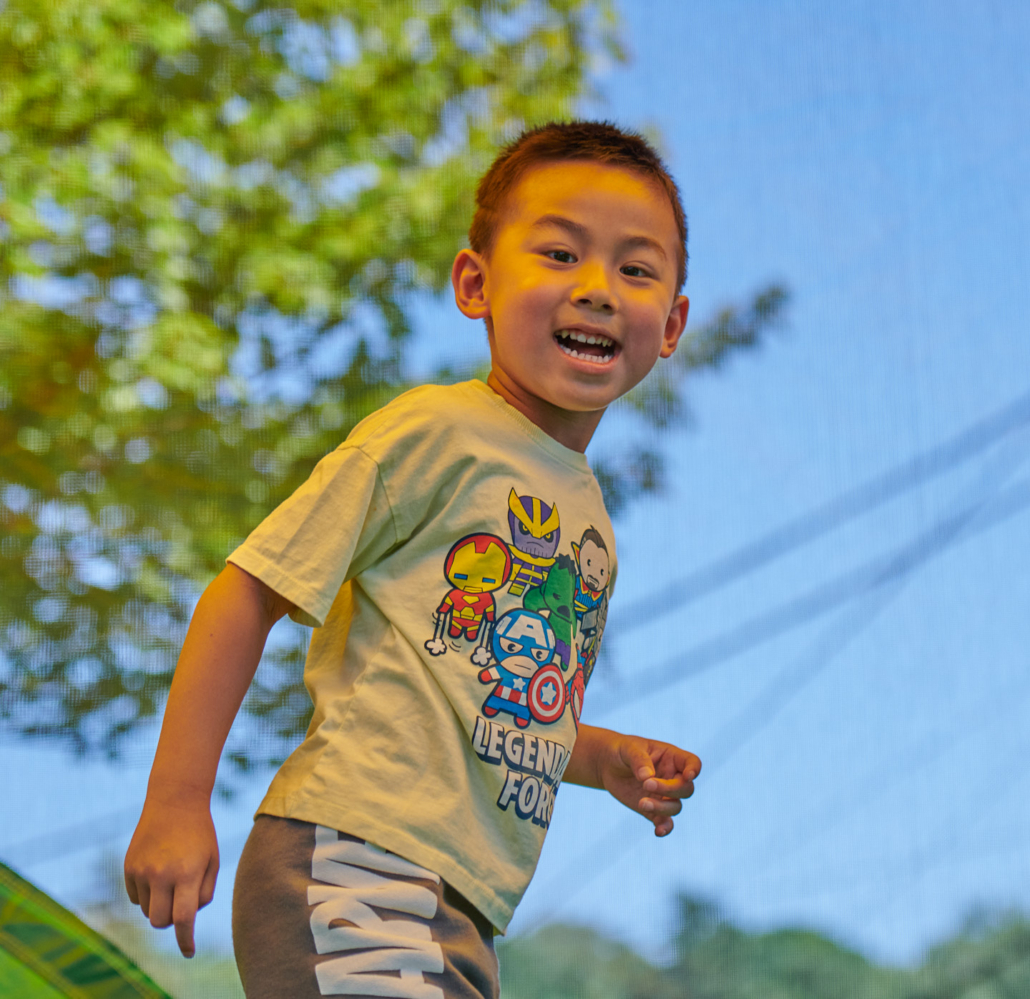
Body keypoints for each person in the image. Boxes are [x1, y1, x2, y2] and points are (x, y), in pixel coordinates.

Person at [124, 120, 702, 999]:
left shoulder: (588, 524)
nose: (597, 289)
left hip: (458, 905)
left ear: (672, 325)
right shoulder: (435, 433)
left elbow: (488, 702)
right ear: (475, 284)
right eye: (559, 254)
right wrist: (176, 799)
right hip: (356, 859)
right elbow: (246, 591)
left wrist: (600, 756)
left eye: (636, 269)